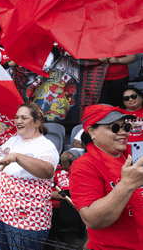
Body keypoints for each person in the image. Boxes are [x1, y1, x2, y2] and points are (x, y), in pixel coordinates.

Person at [0, 102, 59, 250]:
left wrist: (17, 157)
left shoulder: (46, 146)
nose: (18, 121)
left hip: (27, 221)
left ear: (38, 122)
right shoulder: (14, 139)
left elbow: (48, 171)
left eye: (24, 117)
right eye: (16, 117)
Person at [70, 104, 143, 249]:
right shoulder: (84, 166)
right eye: (114, 127)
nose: (123, 132)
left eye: (126, 127)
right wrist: (126, 185)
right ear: (92, 131)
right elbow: (92, 219)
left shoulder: (133, 155)